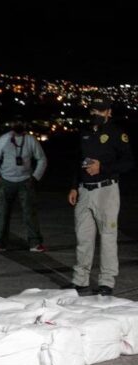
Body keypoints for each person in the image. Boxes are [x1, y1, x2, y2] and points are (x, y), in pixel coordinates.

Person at [67, 93, 134, 295]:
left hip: (106, 189)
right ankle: (80, 280)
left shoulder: (117, 133)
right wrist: (73, 186)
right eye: (93, 110)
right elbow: (76, 161)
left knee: (108, 236)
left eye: (101, 110)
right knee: (83, 237)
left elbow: (129, 162)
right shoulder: (84, 132)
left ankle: (106, 282)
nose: (96, 113)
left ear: (109, 112)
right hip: (84, 190)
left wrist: (102, 167)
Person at [0, 121, 48, 252]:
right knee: (2, 213)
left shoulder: (31, 140)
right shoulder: (4, 139)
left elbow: (42, 159)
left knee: (30, 214)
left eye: (21, 123)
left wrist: (35, 177)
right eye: (16, 123)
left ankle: (35, 243)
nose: (18, 125)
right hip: (6, 180)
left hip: (25, 180)